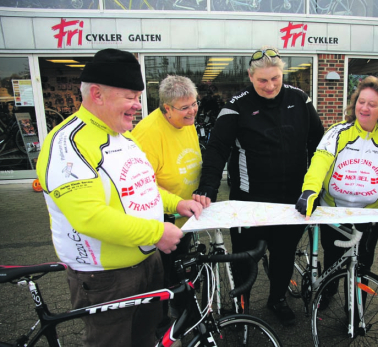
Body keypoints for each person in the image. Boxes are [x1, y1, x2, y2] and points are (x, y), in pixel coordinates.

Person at [36, 48, 203, 347]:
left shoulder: (123, 135)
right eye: (131, 97)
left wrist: (176, 204)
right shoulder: (67, 144)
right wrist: (157, 232)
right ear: (97, 94)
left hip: (146, 262)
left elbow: (143, 187)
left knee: (146, 338)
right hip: (105, 277)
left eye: (138, 98)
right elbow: (89, 217)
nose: (138, 106)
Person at [192, 46, 324, 326]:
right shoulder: (236, 106)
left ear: (282, 73)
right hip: (249, 203)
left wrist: (318, 188)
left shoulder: (300, 99)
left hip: (290, 202)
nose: (270, 85)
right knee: (244, 260)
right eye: (262, 80)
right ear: (250, 77)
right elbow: (217, 150)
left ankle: (276, 299)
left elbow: (319, 147)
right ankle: (242, 304)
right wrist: (207, 190)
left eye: (275, 78)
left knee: (283, 256)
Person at [295, 76, 378, 305]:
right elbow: (320, 163)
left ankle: (356, 307)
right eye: (361, 101)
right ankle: (327, 292)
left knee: (363, 263)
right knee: (333, 258)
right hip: (334, 213)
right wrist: (309, 192)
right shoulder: (338, 132)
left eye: (372, 104)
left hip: (370, 215)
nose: (364, 108)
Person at [132, 75, 202, 324]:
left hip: (187, 214)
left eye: (195, 103)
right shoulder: (147, 135)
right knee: (163, 278)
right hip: (163, 219)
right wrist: (178, 203)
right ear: (166, 108)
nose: (192, 111)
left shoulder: (187, 120)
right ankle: (163, 326)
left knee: (183, 270)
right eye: (185, 107)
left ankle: (185, 314)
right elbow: (143, 186)